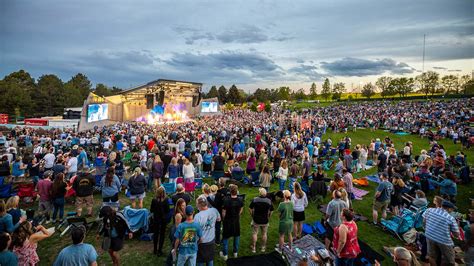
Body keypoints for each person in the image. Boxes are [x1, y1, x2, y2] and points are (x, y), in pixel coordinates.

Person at [422, 200, 460, 266]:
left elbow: (424, 222)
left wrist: (428, 229)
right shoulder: (450, 218)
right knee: (450, 261)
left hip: (429, 236)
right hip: (444, 241)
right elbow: (456, 235)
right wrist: (457, 225)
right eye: (452, 209)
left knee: (431, 256)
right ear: (449, 208)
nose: (452, 211)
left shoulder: (429, 210)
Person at [194, 195, 221, 266]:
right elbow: (219, 219)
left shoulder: (197, 216)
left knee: (200, 260)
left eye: (197, 204)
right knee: (210, 259)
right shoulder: (214, 210)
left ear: (199, 205)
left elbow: (195, 230)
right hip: (211, 240)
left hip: (202, 242)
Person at [220, 184, 244, 260]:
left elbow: (223, 212)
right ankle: (235, 253)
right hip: (235, 220)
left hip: (228, 220)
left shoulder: (226, 200)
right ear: (236, 191)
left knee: (226, 237)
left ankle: (225, 255)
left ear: (230, 191)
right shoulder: (240, 199)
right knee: (236, 236)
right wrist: (237, 214)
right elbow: (241, 209)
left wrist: (224, 219)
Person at [249, 188, 273, 253]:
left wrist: (252, 215)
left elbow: (250, 208)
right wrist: (269, 217)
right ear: (265, 194)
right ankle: (263, 247)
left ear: (259, 193)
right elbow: (271, 210)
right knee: (264, 234)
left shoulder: (255, 199)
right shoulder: (269, 201)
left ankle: (253, 248)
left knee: (255, 233)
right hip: (265, 219)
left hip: (256, 219)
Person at [150, 186, 170, 256]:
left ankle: (155, 250)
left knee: (156, 234)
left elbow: (151, 210)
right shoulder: (166, 200)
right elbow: (168, 210)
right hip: (163, 219)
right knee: (162, 234)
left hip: (156, 219)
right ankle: (159, 250)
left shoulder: (154, 200)